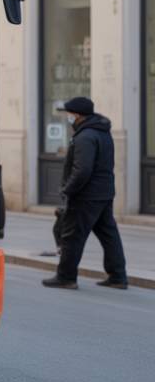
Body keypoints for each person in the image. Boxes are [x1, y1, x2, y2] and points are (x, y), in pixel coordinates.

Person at [43, 96, 129, 290]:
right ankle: (118, 276)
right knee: (109, 235)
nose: (68, 117)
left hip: (86, 196)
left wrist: (68, 189)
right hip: (104, 192)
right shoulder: (102, 132)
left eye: (69, 113)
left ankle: (66, 277)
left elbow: (82, 170)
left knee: (72, 236)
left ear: (77, 115)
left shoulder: (85, 136)